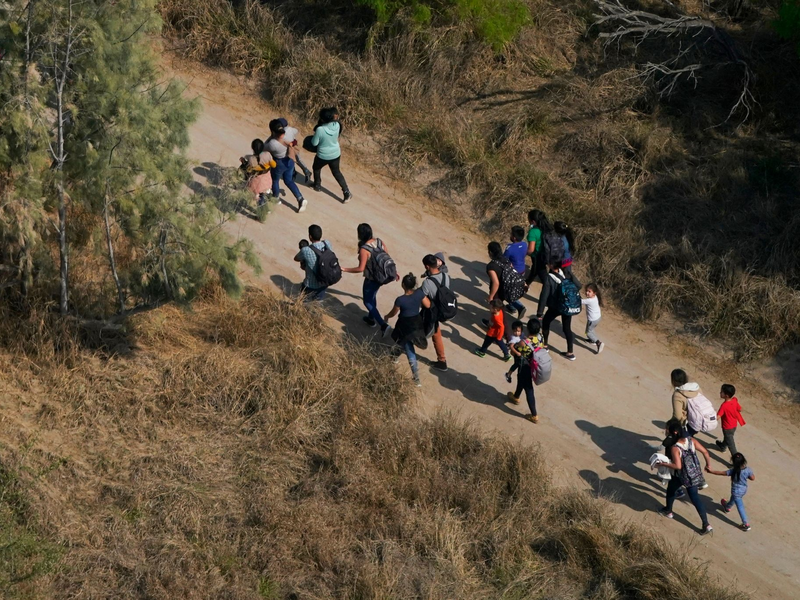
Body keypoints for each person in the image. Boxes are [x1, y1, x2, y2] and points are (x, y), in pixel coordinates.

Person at [654, 421, 714, 535]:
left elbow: (678, 466)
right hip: (694, 475)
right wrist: (708, 465)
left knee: (671, 490)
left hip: (681, 476)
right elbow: (705, 452)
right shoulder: (692, 441)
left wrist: (663, 464)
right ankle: (706, 524)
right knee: (695, 499)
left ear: (675, 433)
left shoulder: (675, 448)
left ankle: (668, 511)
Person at [342, 223, 394, 336]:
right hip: (382, 277)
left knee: (367, 301)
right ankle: (371, 318)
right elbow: (386, 257)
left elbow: (360, 269)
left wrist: (345, 269)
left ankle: (383, 325)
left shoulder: (364, 249)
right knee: (373, 296)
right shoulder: (379, 241)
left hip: (371, 279)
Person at [384, 273, 427, 387]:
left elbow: (394, 313)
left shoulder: (400, 300)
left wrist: (387, 316)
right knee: (401, 343)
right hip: (416, 323)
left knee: (409, 350)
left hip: (405, 325)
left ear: (403, 285)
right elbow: (427, 304)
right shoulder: (419, 293)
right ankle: (394, 357)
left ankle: (416, 378)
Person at [536, 259, 581, 361]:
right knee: (567, 329)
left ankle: (545, 345)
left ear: (551, 266)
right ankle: (570, 352)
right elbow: (579, 285)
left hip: (555, 307)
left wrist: (540, 312)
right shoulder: (566, 274)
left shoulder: (549, 278)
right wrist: (570, 274)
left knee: (546, 322)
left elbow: (544, 295)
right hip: (567, 306)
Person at [310, 107, 352, 203]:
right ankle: (346, 192)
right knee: (336, 172)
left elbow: (314, 143)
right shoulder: (337, 125)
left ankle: (317, 185)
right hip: (335, 153)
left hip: (322, 155)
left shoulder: (320, 129)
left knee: (316, 168)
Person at [506, 318, 543, 424]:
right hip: (534, 366)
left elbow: (514, 352)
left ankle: (534, 415)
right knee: (521, 381)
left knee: (529, 390)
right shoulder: (540, 338)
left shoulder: (523, 342)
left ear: (527, 329)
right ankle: (516, 396)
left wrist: (512, 347)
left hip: (525, 367)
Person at [706, 453, 755, 532]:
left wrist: (711, 471)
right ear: (744, 460)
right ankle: (727, 507)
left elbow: (722, 473)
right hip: (744, 490)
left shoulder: (733, 471)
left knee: (740, 506)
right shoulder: (748, 470)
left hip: (736, 491)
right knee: (734, 498)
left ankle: (746, 524)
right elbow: (753, 478)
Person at [266, 127, 307, 212]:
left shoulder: (273, 143)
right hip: (289, 161)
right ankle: (300, 198)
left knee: (275, 180)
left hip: (279, 163)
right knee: (289, 181)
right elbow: (296, 131)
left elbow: (264, 148)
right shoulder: (288, 138)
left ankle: (275, 197)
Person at [420, 254, 449, 372]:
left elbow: (425, 303)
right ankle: (442, 360)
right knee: (436, 332)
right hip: (441, 310)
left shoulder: (427, 283)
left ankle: (398, 349)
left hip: (431, 312)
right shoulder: (445, 276)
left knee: (411, 327)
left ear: (427, 266)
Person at [294, 224, 331, 301]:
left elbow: (296, 258)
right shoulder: (327, 243)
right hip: (324, 282)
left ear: (310, 236)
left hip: (310, 285)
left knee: (304, 302)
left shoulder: (306, 250)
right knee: (317, 304)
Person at [239, 139, 275, 206]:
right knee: (264, 192)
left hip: (256, 182)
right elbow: (273, 165)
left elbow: (248, 170)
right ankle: (264, 200)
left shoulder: (250, 158)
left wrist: (243, 162)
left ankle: (260, 202)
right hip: (266, 180)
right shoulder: (267, 155)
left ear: (252, 148)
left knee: (257, 194)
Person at [524, 209, 553, 291]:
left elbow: (531, 249)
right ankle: (526, 284)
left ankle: (550, 292)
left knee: (543, 276)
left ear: (532, 221)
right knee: (534, 271)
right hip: (546, 255)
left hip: (537, 256)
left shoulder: (533, 232)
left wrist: (523, 253)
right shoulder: (547, 228)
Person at [504, 226, 528, 319]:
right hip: (522, 271)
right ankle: (511, 307)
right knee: (513, 289)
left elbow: (504, 259)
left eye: (511, 234)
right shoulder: (525, 245)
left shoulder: (510, 248)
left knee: (507, 291)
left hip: (513, 273)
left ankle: (519, 307)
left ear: (514, 237)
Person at [715, 384, 746, 455]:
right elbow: (740, 409)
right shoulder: (735, 400)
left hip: (727, 428)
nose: (720, 393)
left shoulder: (724, 406)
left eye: (721, 392)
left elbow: (718, 417)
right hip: (734, 425)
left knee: (732, 446)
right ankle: (722, 446)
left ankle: (736, 460)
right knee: (728, 438)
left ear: (726, 395)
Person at [582, 283, 604, 354]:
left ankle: (598, 343)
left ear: (594, 293)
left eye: (589, 291)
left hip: (592, 319)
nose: (587, 293)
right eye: (586, 291)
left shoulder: (589, 300)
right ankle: (592, 340)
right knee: (590, 329)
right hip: (597, 318)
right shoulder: (595, 297)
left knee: (588, 333)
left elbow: (580, 301)